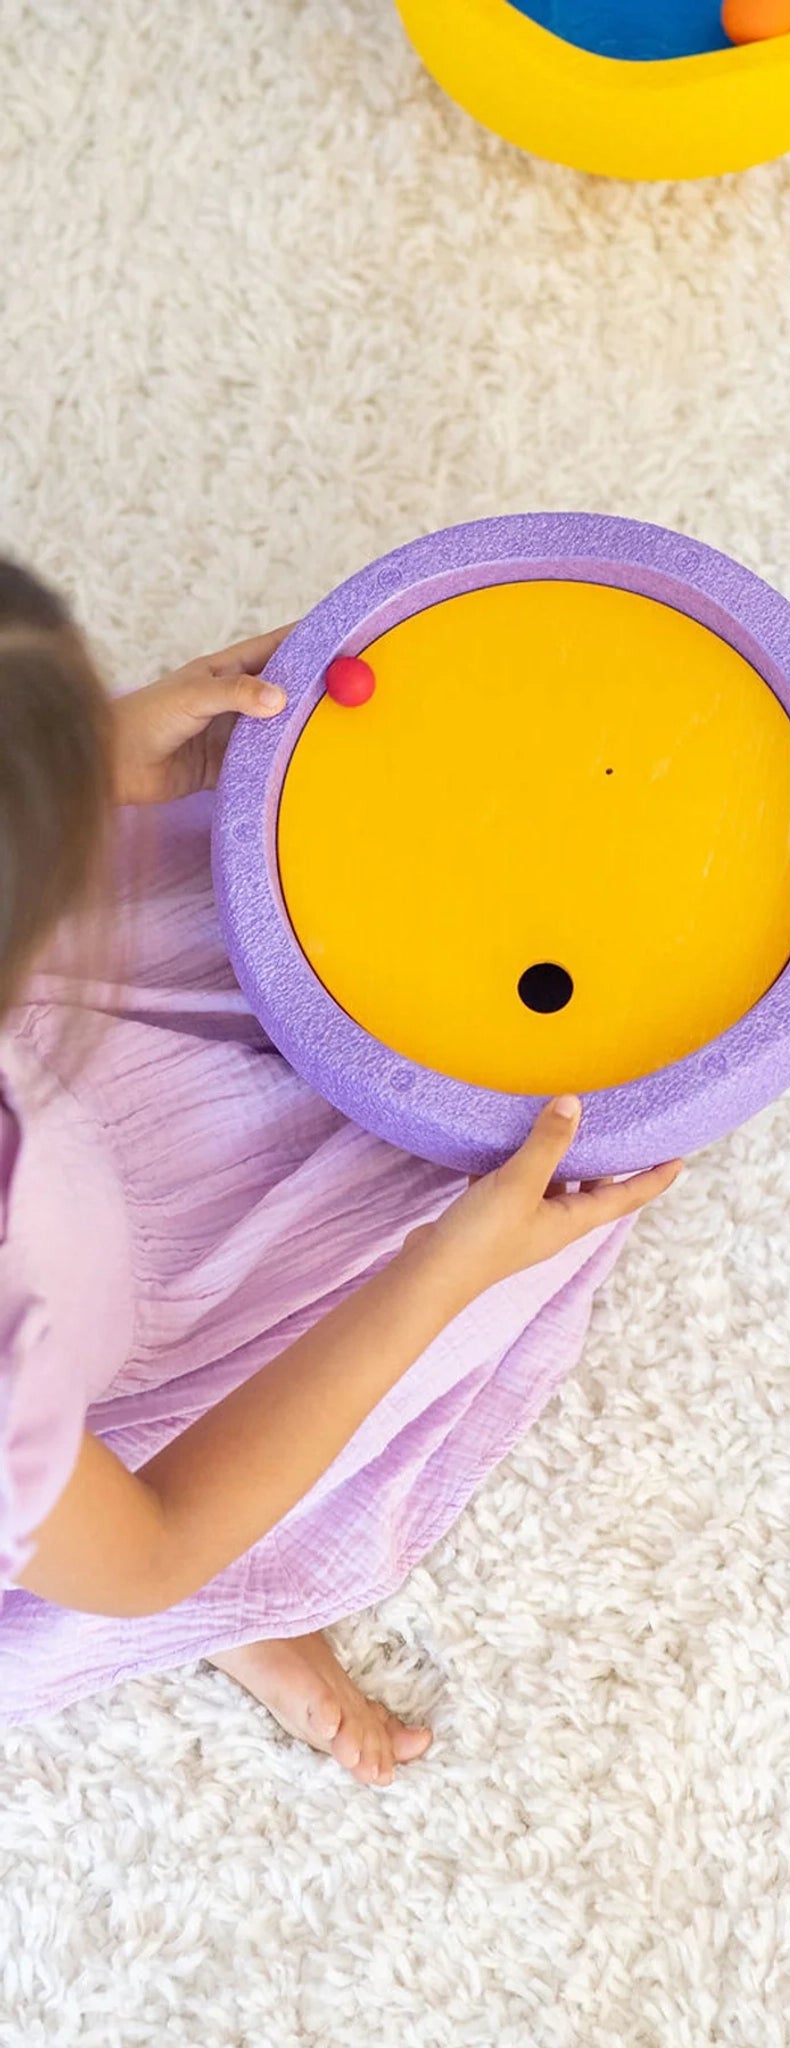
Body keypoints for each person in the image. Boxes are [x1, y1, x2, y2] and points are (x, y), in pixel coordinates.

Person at [0, 560, 678, 1783]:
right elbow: (154, 1544)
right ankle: (225, 1607)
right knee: (514, 1159)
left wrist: (93, 755)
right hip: (131, 1383)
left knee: (320, 921)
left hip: (81, 1081)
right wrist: (442, 1271)